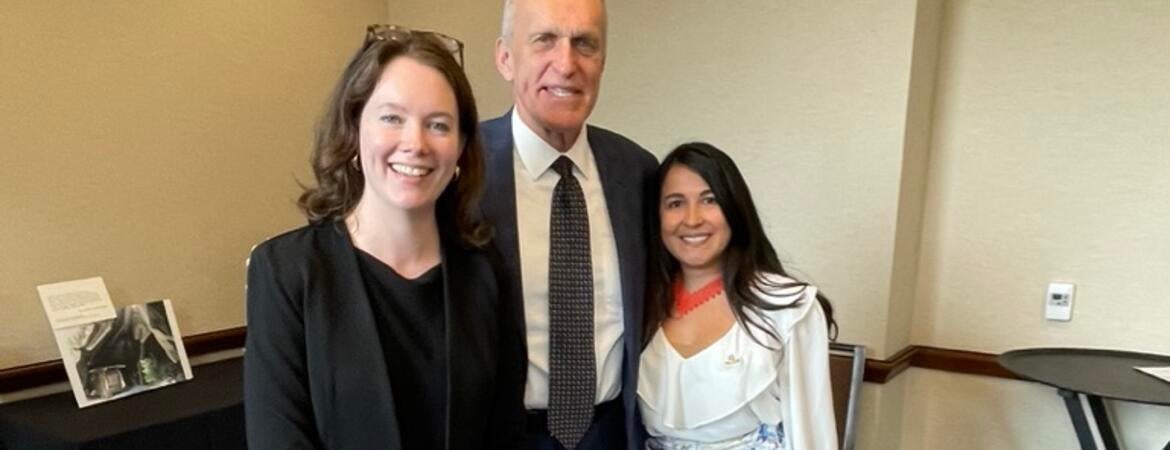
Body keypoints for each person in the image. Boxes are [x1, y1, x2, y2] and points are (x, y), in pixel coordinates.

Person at [244, 25, 525, 450]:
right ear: (354, 131)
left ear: (461, 148)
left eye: (438, 125)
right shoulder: (285, 273)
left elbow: (505, 437)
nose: (415, 143)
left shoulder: (486, 271)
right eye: (392, 118)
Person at [479, 0, 658, 449]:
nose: (566, 63)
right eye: (544, 40)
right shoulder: (461, 167)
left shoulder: (637, 171)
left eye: (585, 44)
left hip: (613, 433)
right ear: (505, 57)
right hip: (499, 435)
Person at [638, 142, 839, 450]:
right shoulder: (638, 302)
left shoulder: (787, 308)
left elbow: (812, 434)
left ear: (735, 209)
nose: (692, 219)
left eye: (709, 200)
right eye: (675, 203)